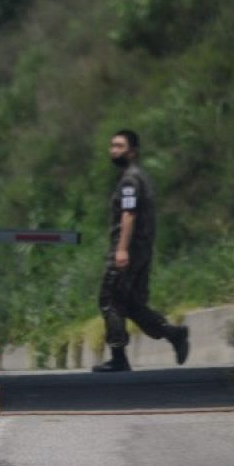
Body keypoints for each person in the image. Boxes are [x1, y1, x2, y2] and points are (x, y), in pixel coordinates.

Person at [92, 129, 189, 372]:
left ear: (132, 152)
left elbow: (129, 214)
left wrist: (122, 249)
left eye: (119, 146)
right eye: (112, 145)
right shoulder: (139, 177)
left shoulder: (130, 181)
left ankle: (118, 357)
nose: (113, 150)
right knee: (132, 304)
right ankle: (173, 334)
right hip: (142, 251)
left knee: (110, 301)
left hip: (128, 251)